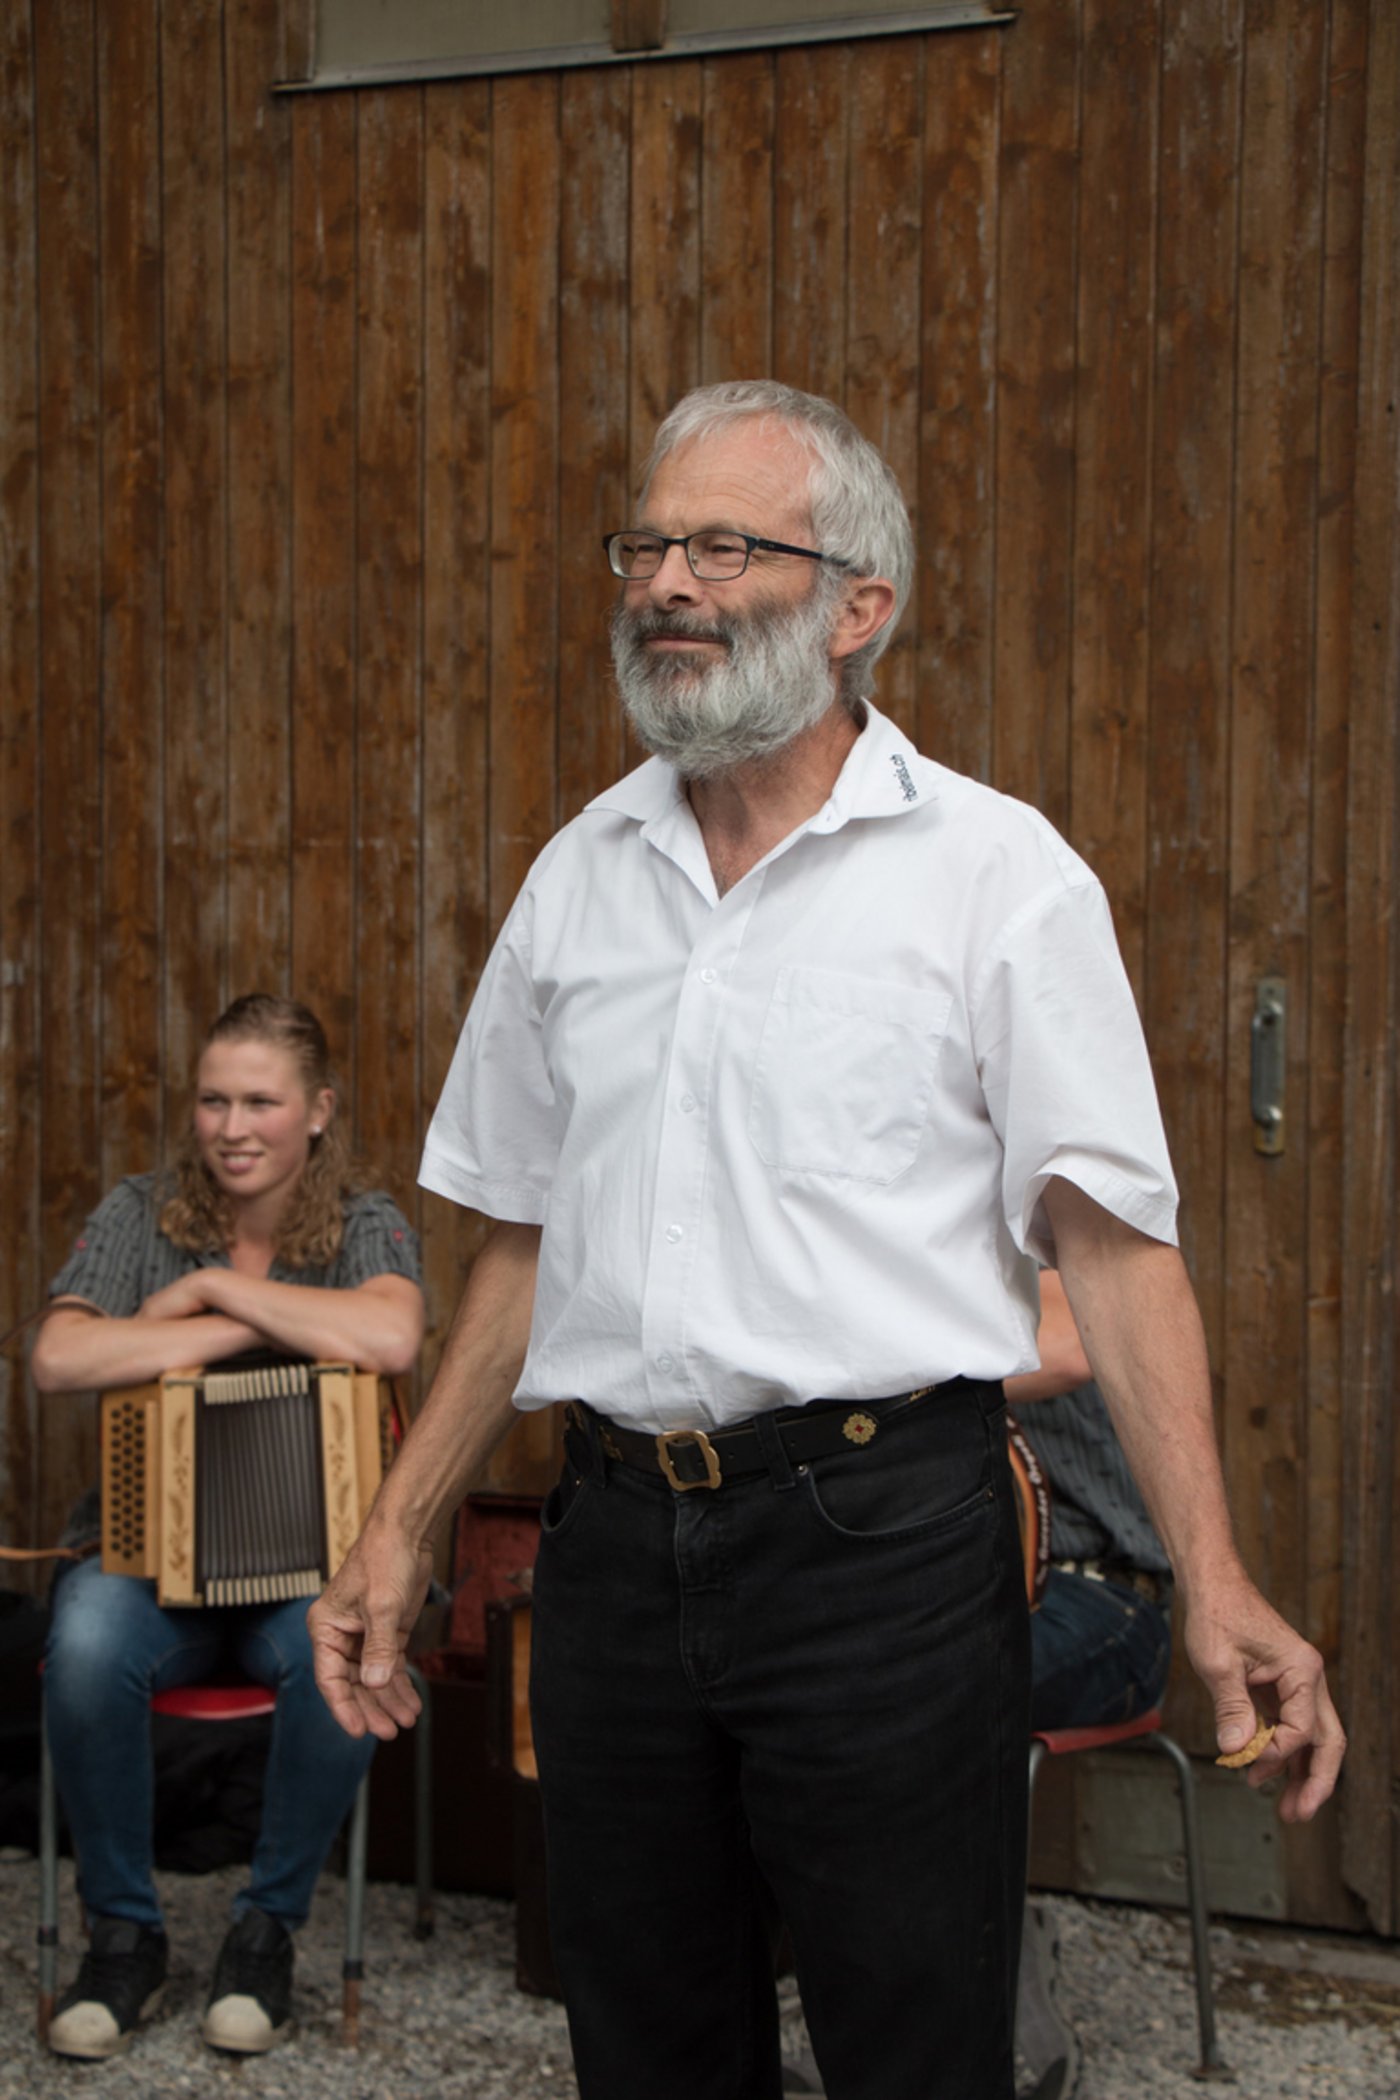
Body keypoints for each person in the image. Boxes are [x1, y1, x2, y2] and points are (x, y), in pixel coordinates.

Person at [309, 381, 1344, 2100]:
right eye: (645, 545)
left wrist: (1217, 1579)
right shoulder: (579, 876)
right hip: (619, 1550)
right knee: (645, 2050)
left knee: (915, 2052)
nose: (666, 583)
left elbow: (1116, 1252)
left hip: (887, 1555)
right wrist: (400, 1532)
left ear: (864, 605)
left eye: (725, 545)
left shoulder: (997, 877)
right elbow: (515, 1247)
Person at [29, 994, 424, 2061]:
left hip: (303, 1570)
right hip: (146, 1567)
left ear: (318, 1112)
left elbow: (388, 1335)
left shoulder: (363, 1223)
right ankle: (123, 1936)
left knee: (340, 1647)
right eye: (213, 1100)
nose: (233, 1125)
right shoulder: (138, 1211)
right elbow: (61, 1357)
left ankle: (265, 1931)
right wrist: (230, 1309)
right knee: (85, 1646)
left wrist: (205, 1297)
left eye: (261, 1100)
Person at [1006, 1271, 1174, 2100]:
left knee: (927, 1694)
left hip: (1105, 1598)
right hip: (991, 1599)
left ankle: (1002, 2003)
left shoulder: (1015, 1231)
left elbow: (1070, 1348)